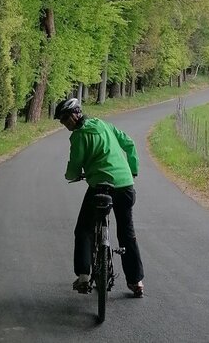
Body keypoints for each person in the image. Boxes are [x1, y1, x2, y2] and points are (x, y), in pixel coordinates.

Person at [55, 97, 145, 298]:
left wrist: (71, 175)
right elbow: (129, 143)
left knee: (84, 229)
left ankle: (84, 276)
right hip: (125, 185)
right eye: (62, 120)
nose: (64, 124)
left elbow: (75, 166)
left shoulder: (79, 136)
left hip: (100, 187)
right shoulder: (104, 124)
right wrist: (133, 169)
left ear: (76, 114)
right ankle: (136, 281)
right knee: (127, 233)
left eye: (65, 119)